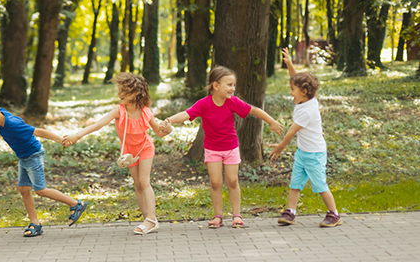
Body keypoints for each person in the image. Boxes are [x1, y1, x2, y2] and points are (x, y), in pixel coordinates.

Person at [165, 66, 284, 229]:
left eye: (233, 85)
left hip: (230, 147)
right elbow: (186, 114)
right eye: (229, 85)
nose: (233, 88)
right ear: (216, 85)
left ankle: (237, 215)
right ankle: (217, 216)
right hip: (212, 149)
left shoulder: (232, 102)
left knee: (232, 180)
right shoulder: (203, 104)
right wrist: (169, 120)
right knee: (215, 182)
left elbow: (253, 110)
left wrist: (271, 121)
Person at [0, 96, 86, 237]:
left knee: (41, 190)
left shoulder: (13, 124)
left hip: (33, 154)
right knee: (24, 189)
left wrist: (61, 140)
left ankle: (76, 204)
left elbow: (38, 131)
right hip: (24, 156)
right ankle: (35, 223)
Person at [63, 73, 171, 235]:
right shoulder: (119, 111)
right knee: (137, 184)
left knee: (144, 181)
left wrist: (167, 129)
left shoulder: (145, 112)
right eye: (120, 90)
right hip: (128, 152)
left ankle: (151, 219)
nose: (119, 94)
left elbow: (159, 132)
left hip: (144, 148)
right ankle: (147, 219)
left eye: (124, 92)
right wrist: (76, 136)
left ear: (136, 94)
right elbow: (97, 125)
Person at [270, 48, 341, 227]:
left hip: (315, 154)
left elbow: (291, 132)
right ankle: (290, 212)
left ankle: (334, 214)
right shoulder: (307, 98)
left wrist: (280, 147)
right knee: (295, 183)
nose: (290, 92)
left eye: (292, 90)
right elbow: (297, 80)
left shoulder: (307, 111)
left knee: (320, 186)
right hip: (303, 153)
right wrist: (289, 64)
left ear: (303, 91)